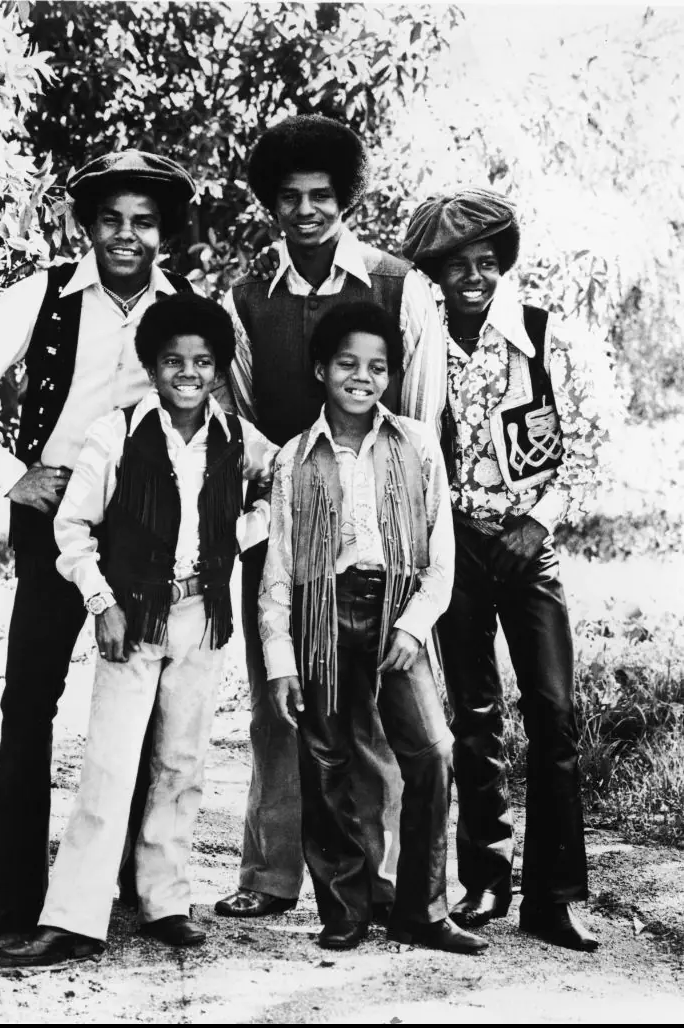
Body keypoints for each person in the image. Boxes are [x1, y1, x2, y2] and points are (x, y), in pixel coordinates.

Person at [0, 150, 197, 945]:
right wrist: (12, 475)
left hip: (146, 541)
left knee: (141, 714)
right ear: (86, 225)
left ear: (163, 232)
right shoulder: (41, 294)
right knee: (29, 703)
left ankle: (138, 892)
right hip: (54, 530)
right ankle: (11, 894)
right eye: (110, 219)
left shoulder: (178, 308)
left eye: (143, 221)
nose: (126, 234)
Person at [0, 294, 278, 966]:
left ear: (217, 368)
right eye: (173, 360)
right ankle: (73, 917)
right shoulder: (115, 431)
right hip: (134, 618)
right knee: (113, 764)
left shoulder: (237, 437)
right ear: (151, 366)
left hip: (199, 617)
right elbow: (71, 526)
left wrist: (239, 535)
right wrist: (102, 602)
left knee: (180, 762)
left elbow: (279, 479)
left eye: (202, 361)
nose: (187, 372)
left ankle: (164, 901)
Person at [215, 114, 446, 920]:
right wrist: (286, 478)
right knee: (280, 705)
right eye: (289, 197)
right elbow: (234, 415)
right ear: (270, 204)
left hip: (380, 536)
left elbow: (418, 419)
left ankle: (376, 884)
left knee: (379, 712)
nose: (306, 211)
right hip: (283, 527)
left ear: (344, 198)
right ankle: (271, 875)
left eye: (321, 195)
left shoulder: (396, 284)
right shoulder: (245, 300)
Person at [401, 187, 612, 952]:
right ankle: (485, 878)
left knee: (551, 713)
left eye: (485, 263)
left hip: (528, 548)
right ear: (434, 272)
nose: (472, 278)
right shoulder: (420, 344)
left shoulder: (542, 336)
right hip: (454, 548)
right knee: (473, 716)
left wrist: (537, 521)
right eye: (455, 266)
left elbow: (591, 441)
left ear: (503, 264)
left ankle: (554, 898)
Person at [258, 300, 486, 954]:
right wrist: (279, 658)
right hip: (322, 610)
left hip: (396, 607)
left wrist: (414, 628)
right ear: (321, 369)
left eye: (377, 367)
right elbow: (278, 567)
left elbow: (439, 557)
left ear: (391, 375)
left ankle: (421, 907)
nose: (362, 376)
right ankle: (344, 908)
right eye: (348, 364)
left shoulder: (416, 444)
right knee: (325, 758)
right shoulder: (293, 458)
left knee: (431, 749)